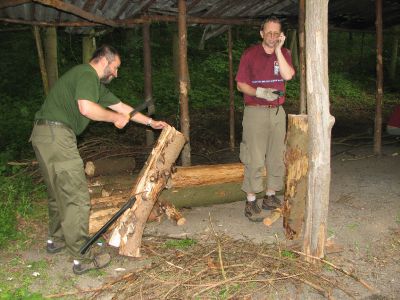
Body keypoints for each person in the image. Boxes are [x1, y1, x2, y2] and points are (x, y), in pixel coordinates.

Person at [30, 45, 167, 274]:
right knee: (77, 197)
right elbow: (86, 108)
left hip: (43, 135)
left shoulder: (94, 86)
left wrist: (151, 123)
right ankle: (81, 256)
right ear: (104, 61)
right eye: (115, 67)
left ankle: (56, 240)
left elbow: (123, 107)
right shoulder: (86, 73)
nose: (116, 73)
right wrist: (114, 119)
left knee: (58, 192)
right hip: (57, 135)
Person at [235, 16, 295, 220]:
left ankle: (270, 196)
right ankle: (251, 201)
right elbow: (240, 84)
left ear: (281, 35)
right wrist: (259, 92)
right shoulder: (250, 54)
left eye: (276, 33)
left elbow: (287, 76)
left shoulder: (284, 53)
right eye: (268, 32)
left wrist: (278, 50)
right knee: (255, 156)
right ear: (261, 33)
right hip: (255, 112)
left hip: (278, 112)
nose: (272, 36)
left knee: (277, 155)